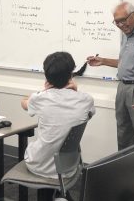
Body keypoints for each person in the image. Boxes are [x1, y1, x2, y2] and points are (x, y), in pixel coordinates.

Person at [87, 2, 134, 150]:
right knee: (123, 133)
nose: (121, 25)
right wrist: (103, 61)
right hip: (123, 88)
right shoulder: (126, 35)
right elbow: (125, 63)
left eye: (123, 20)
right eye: (117, 22)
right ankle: (124, 169)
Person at [21, 51, 95, 180]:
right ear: (71, 74)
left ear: (46, 76)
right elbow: (88, 114)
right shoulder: (86, 99)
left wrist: (44, 92)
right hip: (69, 167)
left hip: (39, 166)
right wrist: (75, 91)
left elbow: (24, 103)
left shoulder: (40, 98)